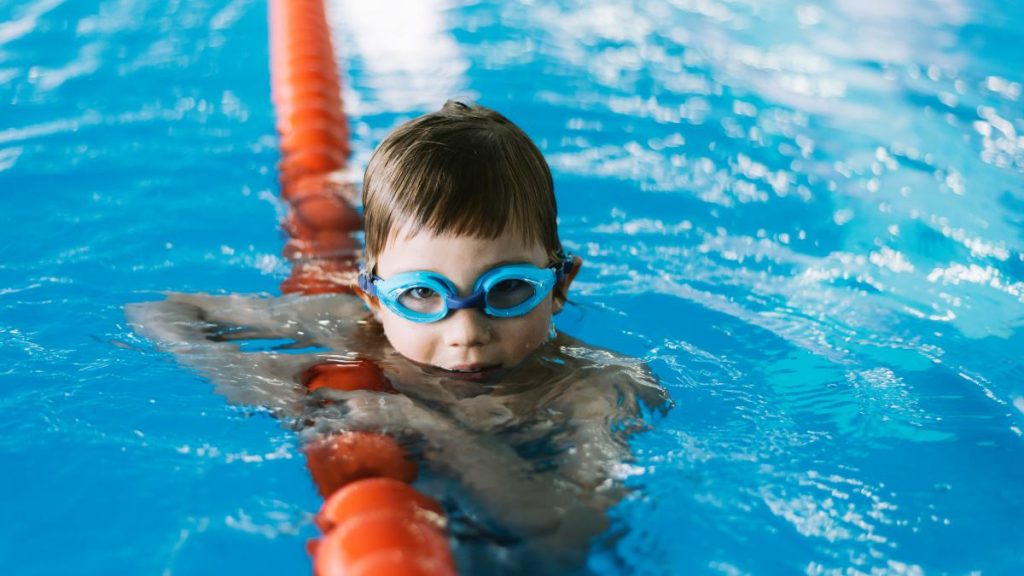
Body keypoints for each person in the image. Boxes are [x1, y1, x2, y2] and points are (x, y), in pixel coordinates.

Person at [127, 100, 668, 574]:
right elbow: (164, 312)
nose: (466, 333)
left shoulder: (595, 388)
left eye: (507, 291)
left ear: (559, 286)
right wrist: (257, 386)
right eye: (420, 296)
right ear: (374, 299)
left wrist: (423, 425)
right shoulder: (349, 324)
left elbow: (566, 534)